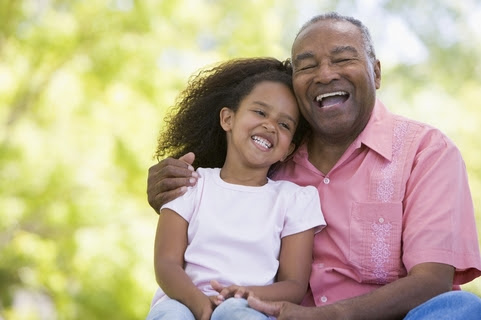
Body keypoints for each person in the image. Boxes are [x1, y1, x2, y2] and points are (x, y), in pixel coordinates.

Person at [147, 12, 481, 319]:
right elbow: (215, 206)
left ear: (375, 72)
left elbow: (432, 281)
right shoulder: (271, 157)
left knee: (463, 308)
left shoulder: (425, 151)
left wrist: (330, 316)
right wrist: (167, 191)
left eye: (343, 58)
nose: (325, 74)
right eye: (306, 66)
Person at [145, 57, 326, 320]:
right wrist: (201, 304)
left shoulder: (295, 199)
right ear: (228, 119)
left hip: (250, 304)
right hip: (183, 299)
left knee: (236, 314)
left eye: (284, 124)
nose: (269, 125)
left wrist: (241, 294)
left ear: (289, 150)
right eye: (260, 112)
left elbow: (294, 286)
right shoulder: (190, 183)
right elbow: (166, 264)